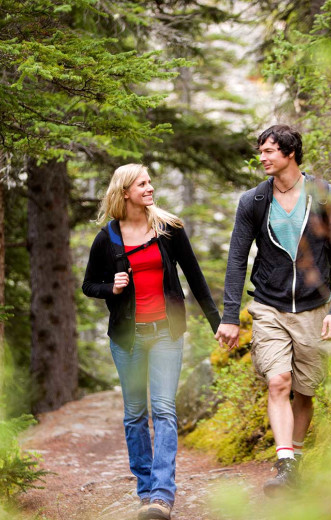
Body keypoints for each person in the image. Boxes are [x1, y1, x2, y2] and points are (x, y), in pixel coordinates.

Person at [214, 125, 331, 495]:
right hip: (269, 305)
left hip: (314, 308)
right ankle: (285, 461)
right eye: (260, 151)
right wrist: (229, 317)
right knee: (278, 381)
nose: (262, 157)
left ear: (290, 153)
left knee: (305, 391)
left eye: (270, 151)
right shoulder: (254, 202)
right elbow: (237, 260)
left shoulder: (325, 196)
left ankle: (297, 460)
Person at [83, 164, 221, 520]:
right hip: (127, 339)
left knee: (163, 410)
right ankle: (145, 491)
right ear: (125, 191)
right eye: (142, 183)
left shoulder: (168, 229)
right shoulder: (108, 238)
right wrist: (110, 287)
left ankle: (162, 495)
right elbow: (89, 285)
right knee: (135, 415)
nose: (150, 187)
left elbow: (195, 276)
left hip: (165, 333)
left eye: (149, 182)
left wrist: (218, 322)